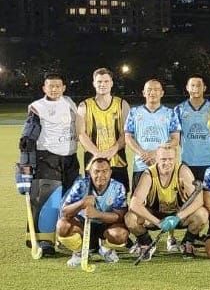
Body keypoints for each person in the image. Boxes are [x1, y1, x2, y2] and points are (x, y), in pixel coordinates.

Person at [20, 72, 80, 255]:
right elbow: (27, 140)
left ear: (63, 88)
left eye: (57, 86)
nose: (54, 89)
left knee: (70, 199)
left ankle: (65, 236)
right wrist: (25, 168)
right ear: (44, 88)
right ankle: (43, 241)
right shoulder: (38, 107)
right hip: (47, 158)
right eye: (50, 86)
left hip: (70, 158)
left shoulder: (69, 102)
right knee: (49, 200)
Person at [125, 144, 207, 260]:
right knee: (130, 218)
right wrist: (158, 222)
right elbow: (134, 204)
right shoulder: (148, 174)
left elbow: (199, 201)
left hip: (179, 215)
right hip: (155, 216)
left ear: (176, 158)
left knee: (202, 214)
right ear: (157, 159)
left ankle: (187, 242)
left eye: (170, 159)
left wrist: (178, 217)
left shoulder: (183, 171)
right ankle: (146, 242)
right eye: (163, 159)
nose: (167, 163)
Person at [56, 157, 128, 267]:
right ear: (90, 172)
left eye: (105, 171)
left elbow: (120, 217)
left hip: (105, 227)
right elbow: (64, 213)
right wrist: (82, 203)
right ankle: (79, 252)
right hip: (82, 226)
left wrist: (97, 214)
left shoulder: (118, 187)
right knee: (62, 226)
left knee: (121, 234)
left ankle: (105, 249)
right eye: (96, 171)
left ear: (110, 172)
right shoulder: (81, 185)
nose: (100, 175)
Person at [76, 68, 131, 191]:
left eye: (106, 81)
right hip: (93, 163)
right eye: (99, 81)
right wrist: (98, 154)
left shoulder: (122, 104)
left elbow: (127, 133)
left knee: (120, 202)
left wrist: (112, 151)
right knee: (93, 200)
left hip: (117, 161)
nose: (103, 84)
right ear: (94, 83)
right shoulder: (84, 106)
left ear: (111, 83)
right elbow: (81, 134)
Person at [124, 79, 180, 188]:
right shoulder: (134, 112)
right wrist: (142, 154)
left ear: (162, 93)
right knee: (139, 201)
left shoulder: (170, 113)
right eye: (149, 90)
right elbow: (128, 137)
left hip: (163, 166)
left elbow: (175, 139)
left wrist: (157, 153)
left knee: (163, 203)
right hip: (141, 165)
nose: (152, 93)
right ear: (144, 93)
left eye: (156, 89)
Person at [174, 74, 210, 182]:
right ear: (187, 87)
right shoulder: (179, 109)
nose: (195, 88)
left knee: (208, 196)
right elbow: (176, 136)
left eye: (198, 85)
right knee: (188, 196)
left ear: (204, 88)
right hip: (187, 161)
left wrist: (208, 146)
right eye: (192, 85)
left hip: (209, 161)